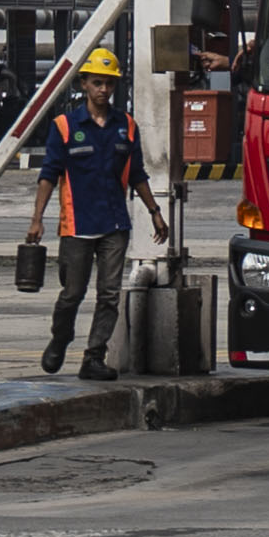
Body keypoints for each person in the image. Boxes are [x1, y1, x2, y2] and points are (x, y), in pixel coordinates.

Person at [25, 46, 164, 383]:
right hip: (77, 225)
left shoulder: (126, 126)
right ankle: (60, 338)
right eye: (97, 83)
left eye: (109, 83)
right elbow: (49, 174)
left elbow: (137, 173)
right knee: (72, 293)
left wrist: (155, 211)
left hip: (115, 224)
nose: (104, 89)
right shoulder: (64, 126)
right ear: (84, 84)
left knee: (109, 295)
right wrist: (37, 218)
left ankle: (94, 357)